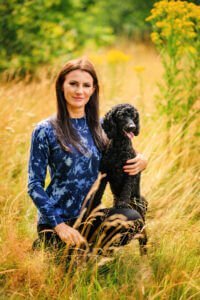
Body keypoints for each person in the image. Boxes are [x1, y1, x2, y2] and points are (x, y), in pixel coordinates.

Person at [28, 57, 148, 252]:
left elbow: (124, 152)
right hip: (59, 222)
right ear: (61, 86)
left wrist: (143, 159)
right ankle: (53, 244)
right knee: (70, 263)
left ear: (93, 90)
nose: (79, 91)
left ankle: (92, 250)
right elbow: (34, 185)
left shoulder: (102, 127)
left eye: (86, 85)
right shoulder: (45, 130)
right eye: (73, 84)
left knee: (132, 220)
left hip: (91, 217)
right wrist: (58, 225)